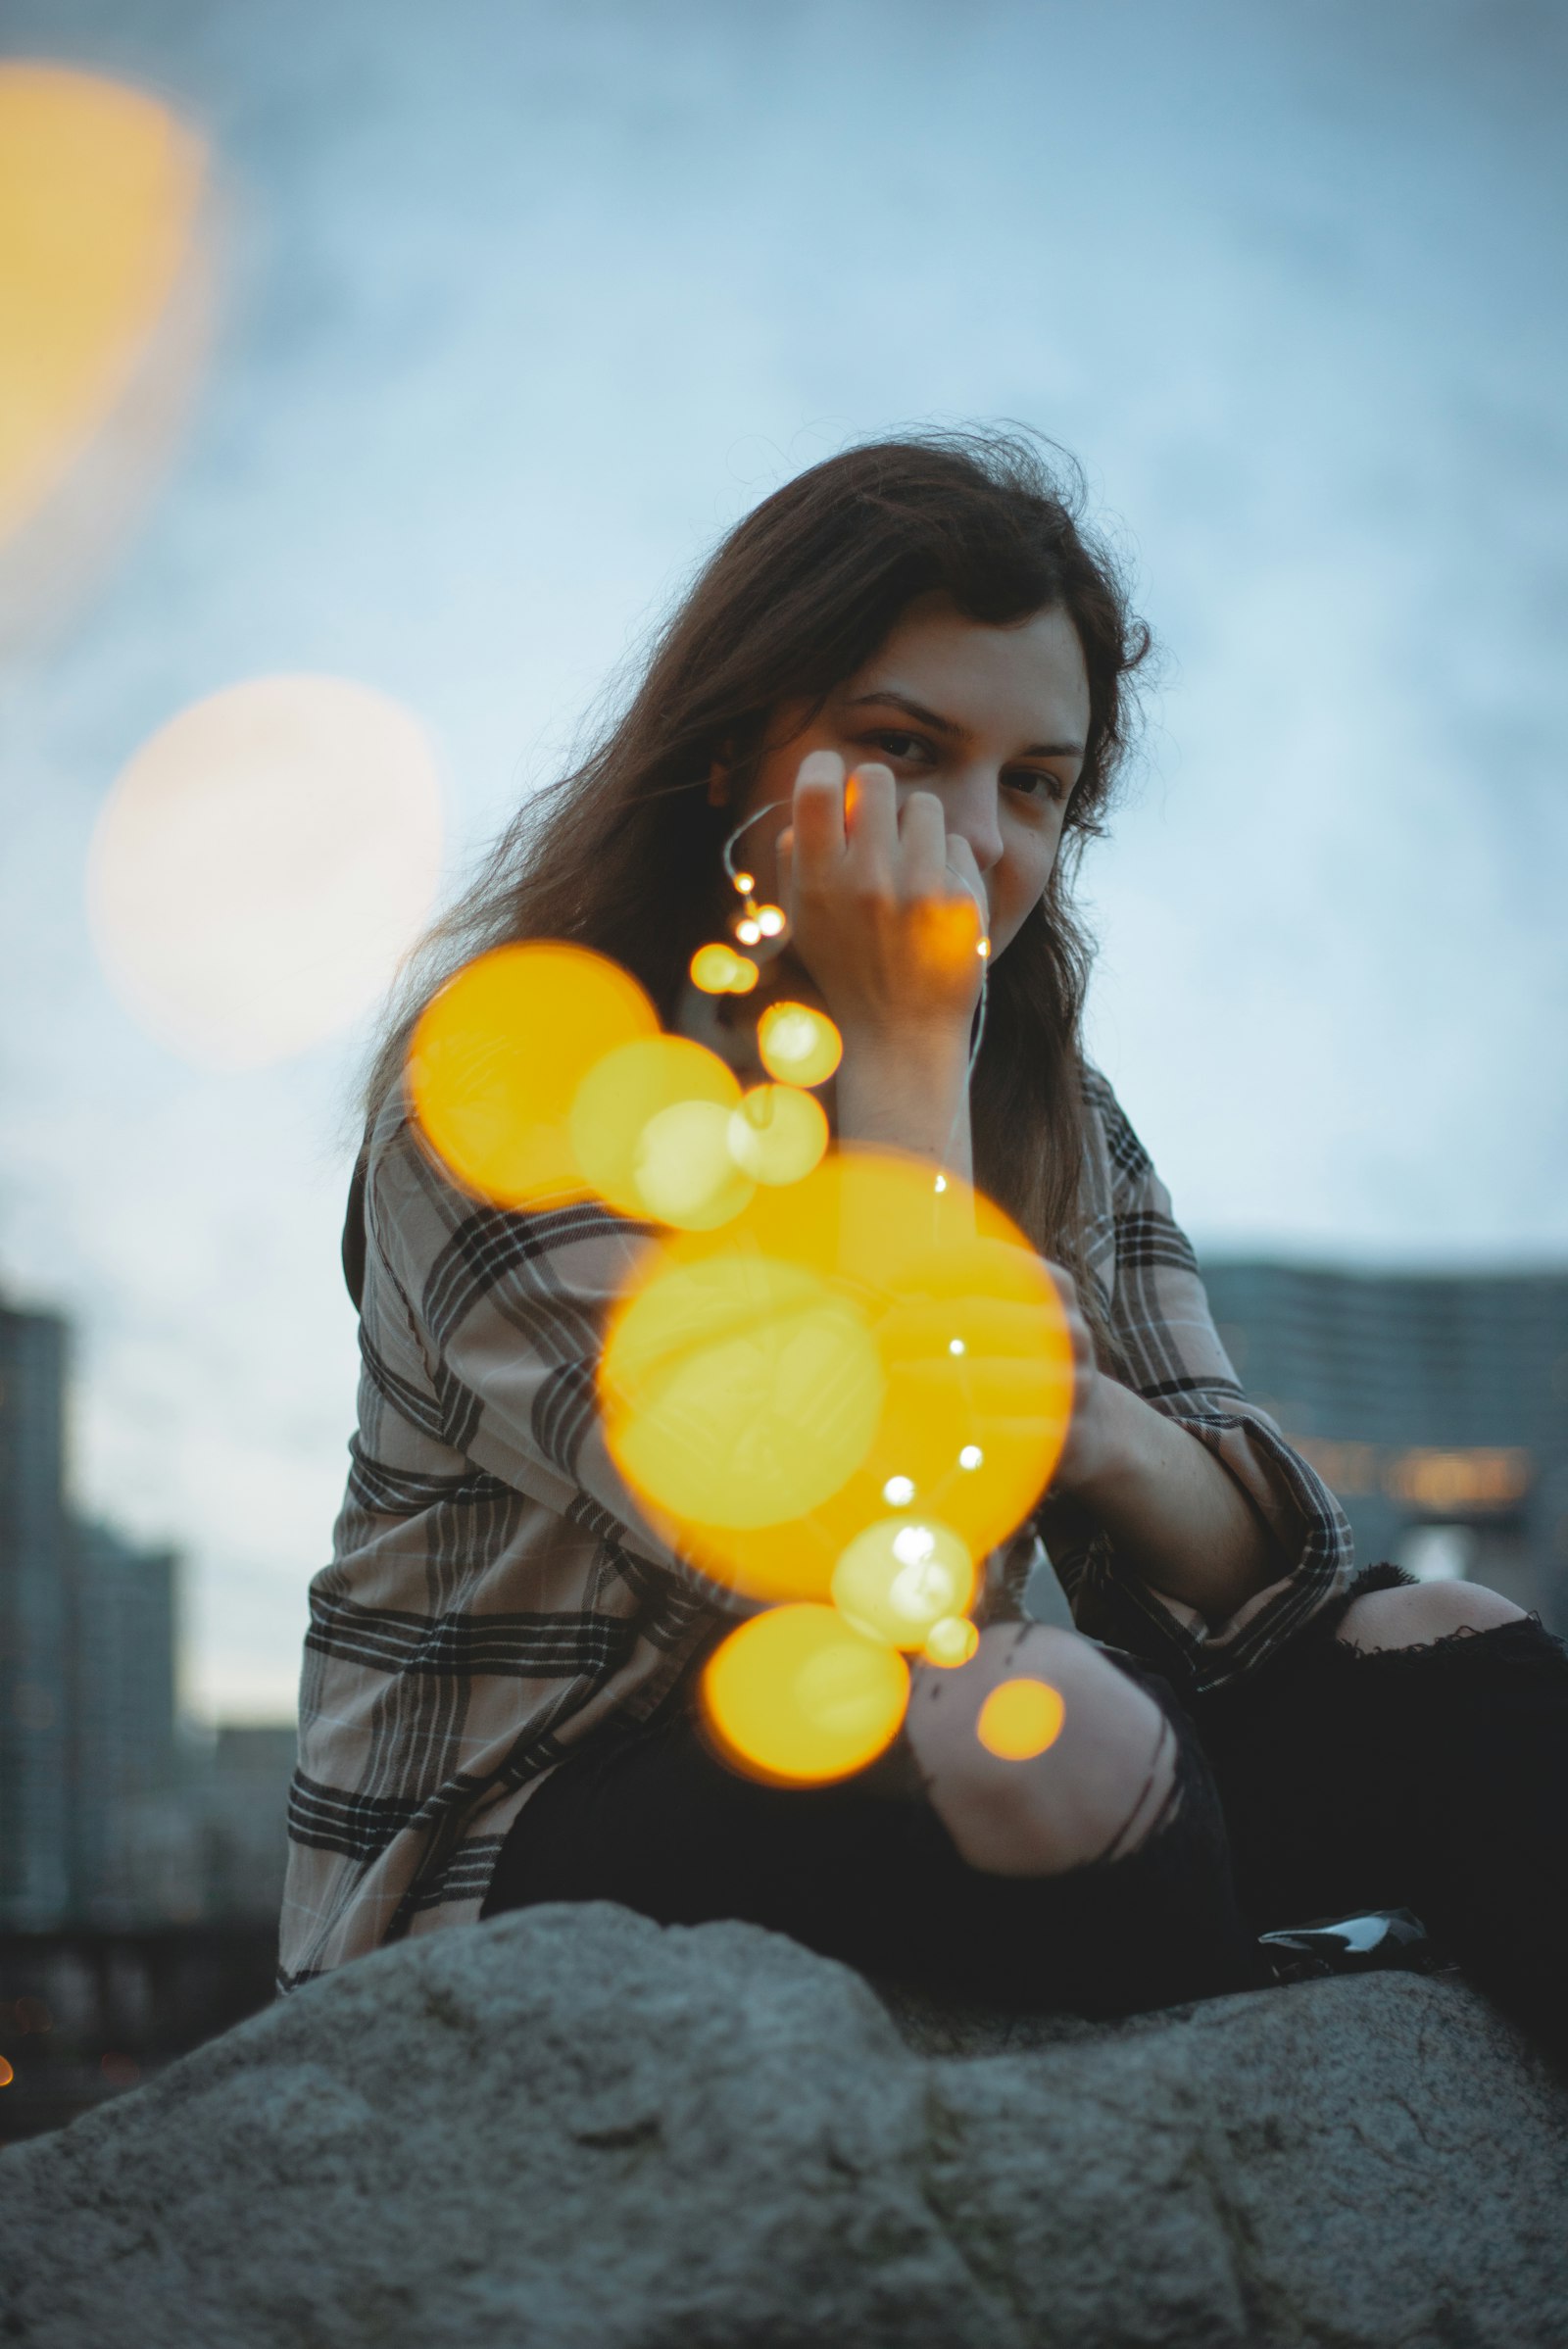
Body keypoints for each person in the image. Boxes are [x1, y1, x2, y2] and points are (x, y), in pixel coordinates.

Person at [280, 433, 1567, 2061]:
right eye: (906, 749)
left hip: (919, 1750)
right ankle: (1228, 2048)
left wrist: (1095, 1427)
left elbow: (1280, 1586)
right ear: (732, 747)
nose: (975, 837)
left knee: (1440, 1647)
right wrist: (899, 1056)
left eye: (1035, 784)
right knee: (1058, 1728)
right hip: (525, 1837)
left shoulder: (1057, 1114)